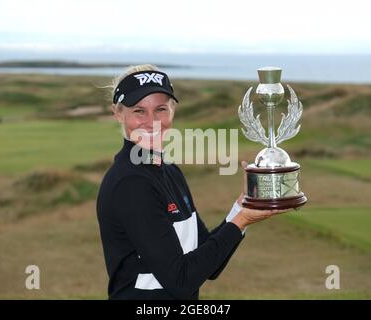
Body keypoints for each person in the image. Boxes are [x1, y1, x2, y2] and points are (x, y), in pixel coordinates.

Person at [96, 64, 288, 300]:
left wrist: (242, 209)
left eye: (161, 109)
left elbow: (207, 261)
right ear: (118, 113)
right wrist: (241, 220)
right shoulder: (131, 184)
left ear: (173, 111)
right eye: (138, 111)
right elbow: (181, 280)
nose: (152, 121)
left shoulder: (170, 172)